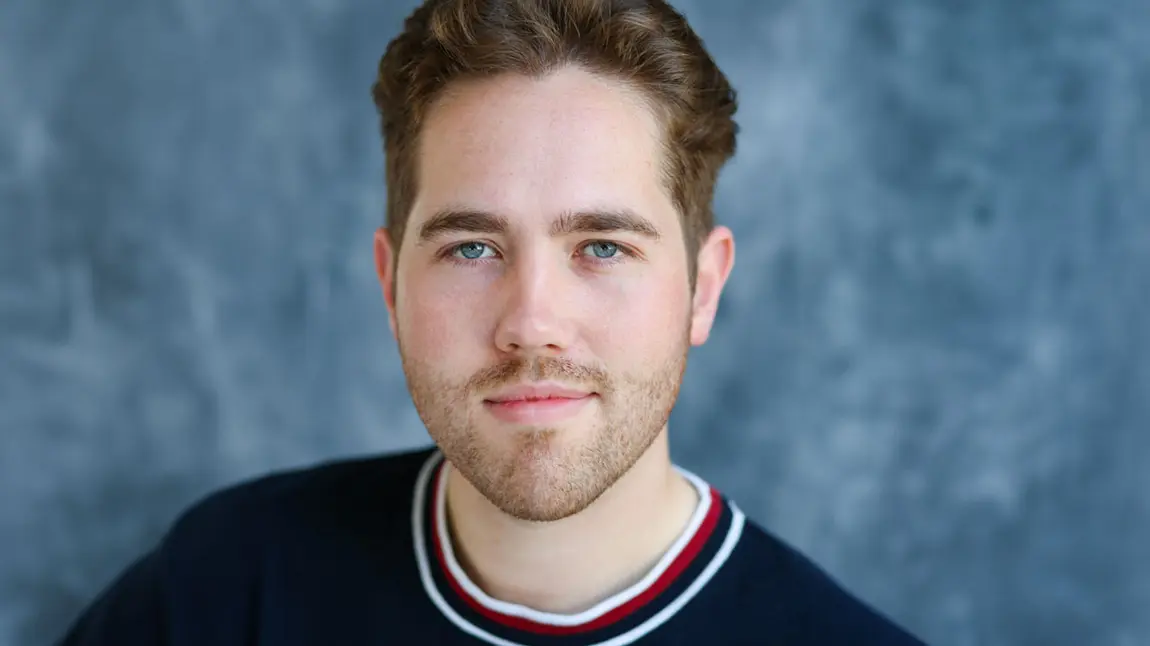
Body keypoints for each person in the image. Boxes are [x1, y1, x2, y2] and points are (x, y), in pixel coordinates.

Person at [58, 0, 927, 644]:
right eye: (472, 248)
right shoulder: (225, 587)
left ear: (702, 288)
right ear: (391, 283)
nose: (532, 322)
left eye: (602, 247)